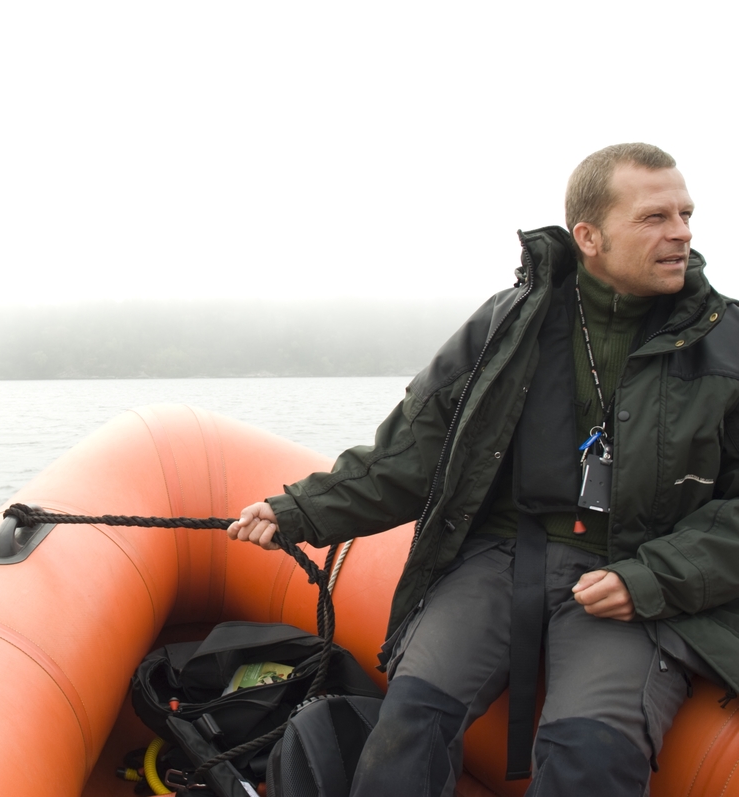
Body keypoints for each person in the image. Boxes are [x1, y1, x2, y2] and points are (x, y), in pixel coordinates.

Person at [228, 143, 739, 796]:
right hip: (502, 556)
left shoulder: (727, 342)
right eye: (654, 217)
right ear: (590, 237)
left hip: (635, 572)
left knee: (590, 757)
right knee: (408, 726)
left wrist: (651, 577)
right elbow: (412, 453)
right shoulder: (507, 325)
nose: (682, 233)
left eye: (685, 214)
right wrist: (299, 510)